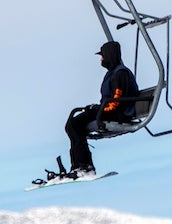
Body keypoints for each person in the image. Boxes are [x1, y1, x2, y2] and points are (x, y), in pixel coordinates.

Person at [57, 40, 138, 179]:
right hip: (109, 111)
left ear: (109, 56)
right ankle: (79, 165)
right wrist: (97, 108)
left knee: (74, 125)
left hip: (118, 114)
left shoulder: (120, 74)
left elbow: (116, 101)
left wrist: (99, 110)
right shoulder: (113, 72)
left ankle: (84, 166)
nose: (101, 59)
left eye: (103, 56)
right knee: (72, 125)